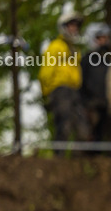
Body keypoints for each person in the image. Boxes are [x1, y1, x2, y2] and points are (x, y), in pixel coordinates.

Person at [38, 10, 90, 143]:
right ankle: (58, 155)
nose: (74, 29)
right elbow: (45, 72)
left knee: (83, 129)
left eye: (76, 26)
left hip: (74, 91)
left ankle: (77, 156)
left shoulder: (75, 50)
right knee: (64, 126)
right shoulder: (55, 46)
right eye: (71, 26)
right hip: (60, 91)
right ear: (63, 27)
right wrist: (46, 95)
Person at [80, 23, 111, 145]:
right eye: (99, 38)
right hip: (89, 104)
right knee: (88, 135)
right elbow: (81, 82)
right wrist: (84, 102)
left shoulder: (108, 61)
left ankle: (100, 155)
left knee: (102, 134)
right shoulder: (85, 60)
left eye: (105, 38)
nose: (103, 41)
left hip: (105, 104)